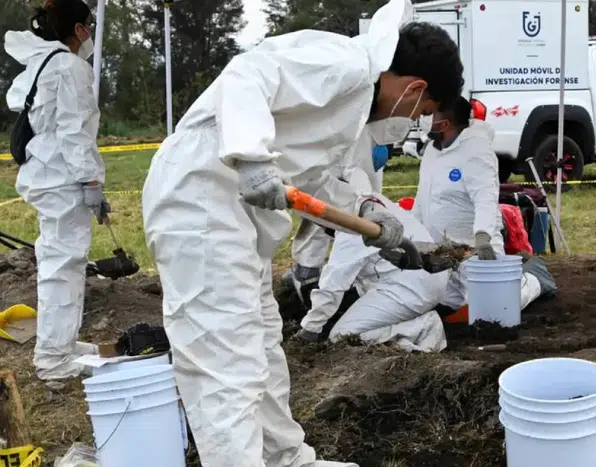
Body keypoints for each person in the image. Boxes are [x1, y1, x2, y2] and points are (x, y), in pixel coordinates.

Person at [141, 0, 464, 463]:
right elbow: (247, 73)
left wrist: (369, 215)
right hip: (201, 194)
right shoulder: (347, 64)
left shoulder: (351, 106)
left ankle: (285, 458)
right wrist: (251, 157)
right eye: (421, 111)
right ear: (415, 88)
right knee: (225, 359)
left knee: (262, 343)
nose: (412, 121)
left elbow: (312, 178)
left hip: (236, 213)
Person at [5, 0, 108, 381]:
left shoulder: (43, 62)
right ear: (78, 30)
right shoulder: (69, 66)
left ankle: (62, 344)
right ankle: (54, 360)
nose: (90, 32)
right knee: (64, 265)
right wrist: (91, 181)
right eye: (88, 25)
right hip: (62, 177)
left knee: (59, 261)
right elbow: (74, 131)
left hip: (46, 172)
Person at [295, 168, 449, 352]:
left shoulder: (352, 222)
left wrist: (310, 329)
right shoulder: (369, 202)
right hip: (419, 280)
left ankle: (423, 327)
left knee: (342, 336)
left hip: (410, 288)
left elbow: (333, 284)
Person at [412, 96, 504, 311]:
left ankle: (534, 280)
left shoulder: (476, 151)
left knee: (493, 309)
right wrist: (413, 235)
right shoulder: (432, 151)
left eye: (429, 115)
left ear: (445, 124)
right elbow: (422, 197)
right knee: (440, 308)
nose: (423, 118)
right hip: (440, 258)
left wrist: (483, 237)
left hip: (474, 253)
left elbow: (486, 198)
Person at [285, 138, 388, 308]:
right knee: (325, 205)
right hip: (336, 150)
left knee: (370, 205)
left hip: (367, 145)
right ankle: (307, 270)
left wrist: (383, 141)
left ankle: (358, 273)